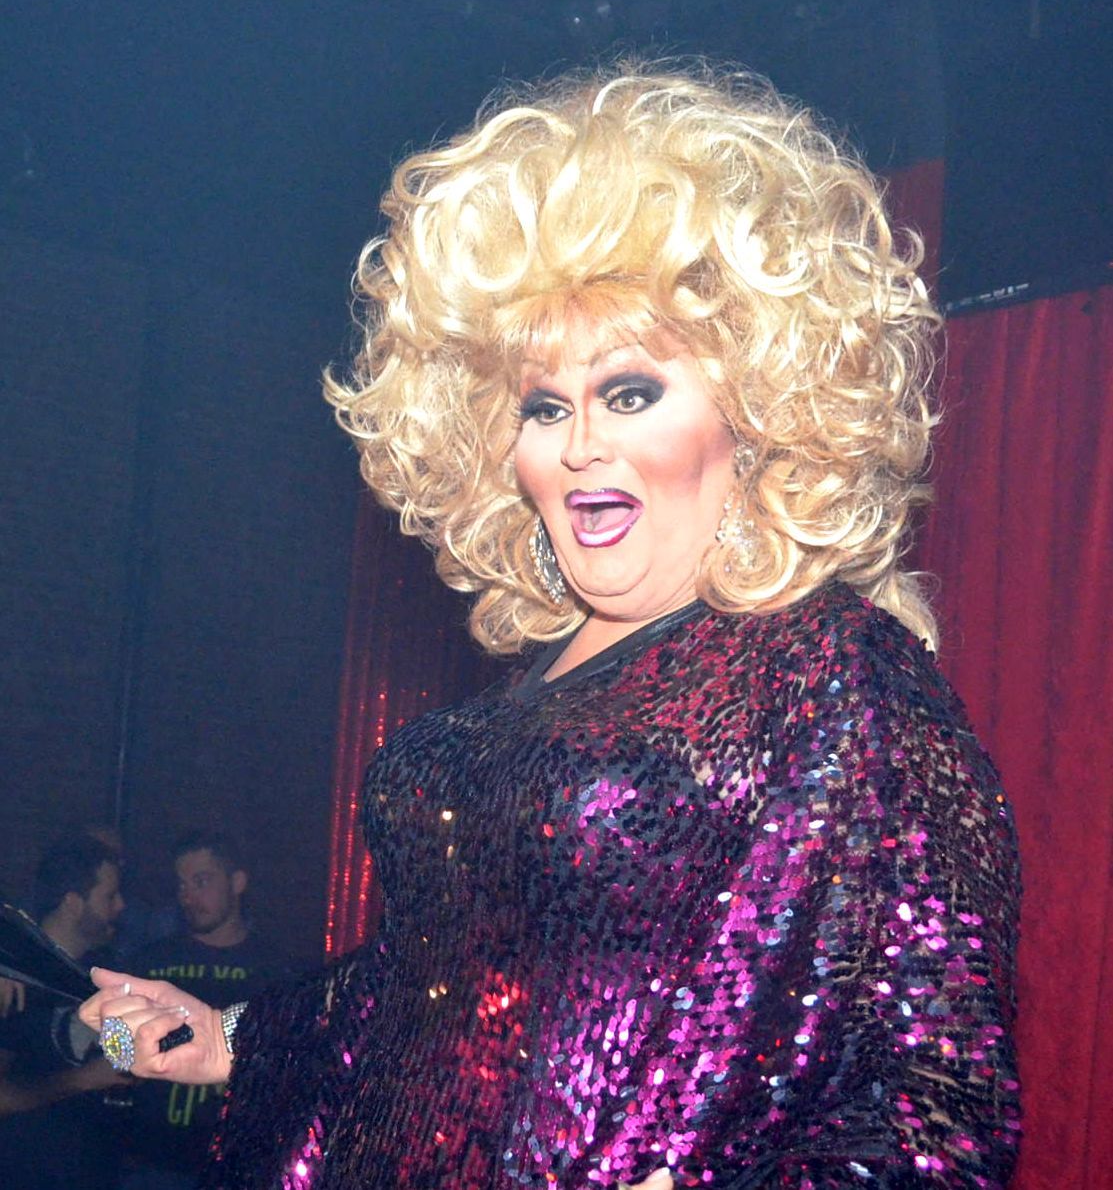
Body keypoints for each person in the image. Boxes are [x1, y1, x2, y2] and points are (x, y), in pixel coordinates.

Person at [80, 62, 1021, 1188]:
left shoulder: (833, 672)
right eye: (542, 405)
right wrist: (226, 1035)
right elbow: (432, 992)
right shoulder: (530, 688)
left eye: (629, 392)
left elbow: (937, 1101)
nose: (578, 444)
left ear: (756, 410)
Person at [121, 831, 293, 1188]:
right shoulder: (150, 963)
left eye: (201, 882)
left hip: (240, 1164)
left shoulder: (277, 970)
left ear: (237, 882)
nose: (188, 896)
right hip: (155, 1160)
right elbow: (115, 1050)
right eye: (182, 885)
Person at [0, 834, 129, 1189]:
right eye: (109, 896)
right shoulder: (14, 978)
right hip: (26, 1175)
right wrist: (82, 1080)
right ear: (74, 903)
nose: (121, 906)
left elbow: (120, 1060)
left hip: (97, 1173)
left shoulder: (108, 970)